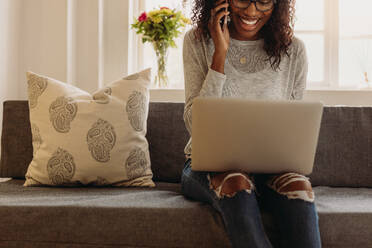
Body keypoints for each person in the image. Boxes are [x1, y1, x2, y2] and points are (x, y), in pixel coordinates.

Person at [181, 0, 322, 247]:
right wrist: (220, 55)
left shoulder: (294, 50)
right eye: (243, 0)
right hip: (205, 167)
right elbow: (195, 124)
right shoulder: (197, 41)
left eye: (264, 1)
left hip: (271, 169)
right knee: (236, 181)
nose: (252, 11)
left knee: (299, 186)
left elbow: (292, 126)